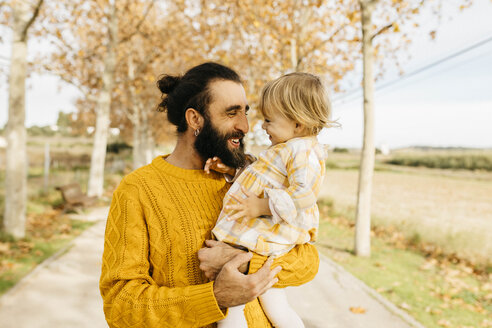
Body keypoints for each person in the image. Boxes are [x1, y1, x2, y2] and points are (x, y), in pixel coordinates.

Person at [99, 62, 320, 328]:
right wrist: (215, 296)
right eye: (231, 113)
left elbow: (308, 260)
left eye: (246, 112)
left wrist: (243, 264)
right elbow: (120, 306)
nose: (246, 126)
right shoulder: (138, 190)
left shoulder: (247, 180)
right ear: (195, 119)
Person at [207, 72, 334, 328]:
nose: (262, 126)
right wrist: (231, 170)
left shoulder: (303, 151)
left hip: (263, 236)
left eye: (268, 120)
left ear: (297, 124)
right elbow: (263, 177)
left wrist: (261, 206)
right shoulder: (287, 149)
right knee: (276, 304)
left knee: (233, 303)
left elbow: (305, 194)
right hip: (264, 237)